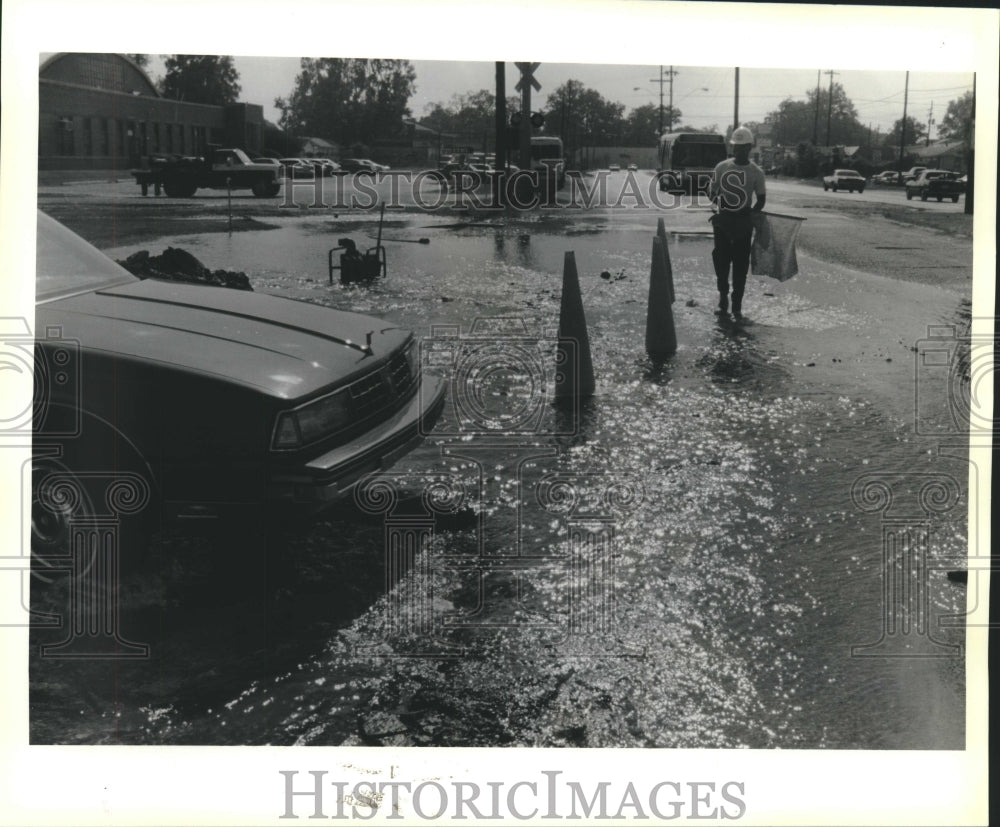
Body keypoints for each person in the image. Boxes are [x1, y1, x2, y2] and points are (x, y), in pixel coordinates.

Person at [710, 126, 766, 319]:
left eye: (744, 147)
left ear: (750, 147)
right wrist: (718, 201)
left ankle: (737, 305)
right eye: (737, 147)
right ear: (732, 147)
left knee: (741, 264)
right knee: (721, 261)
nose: (740, 151)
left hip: (743, 224)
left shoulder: (756, 172)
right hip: (723, 221)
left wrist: (752, 212)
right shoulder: (722, 167)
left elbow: (761, 199)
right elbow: (712, 192)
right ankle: (723, 296)